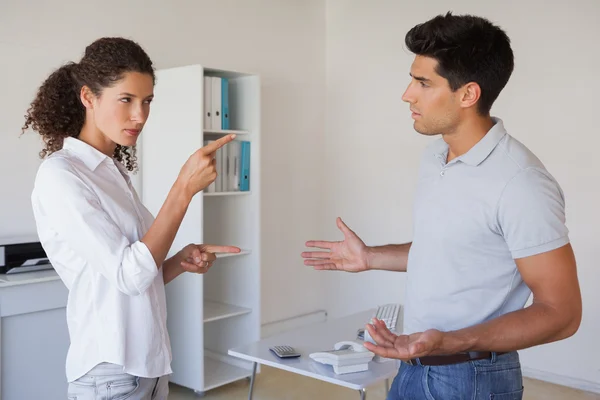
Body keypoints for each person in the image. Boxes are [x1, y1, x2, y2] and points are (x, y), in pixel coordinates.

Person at [302, 12, 582, 400]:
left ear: (468, 94)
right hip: (414, 364)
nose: (407, 94)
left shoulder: (521, 184)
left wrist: (450, 342)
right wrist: (370, 256)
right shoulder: (437, 157)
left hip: (474, 379)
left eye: (423, 83)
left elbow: (562, 313)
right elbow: (454, 252)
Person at [24, 37, 239, 400]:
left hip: (149, 366)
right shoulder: (61, 175)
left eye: (147, 101)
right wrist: (183, 189)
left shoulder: (113, 172)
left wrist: (178, 263)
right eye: (126, 99)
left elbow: (138, 274)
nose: (140, 115)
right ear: (88, 98)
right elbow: (128, 275)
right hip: (111, 372)